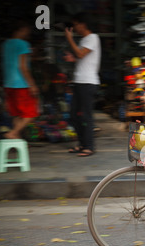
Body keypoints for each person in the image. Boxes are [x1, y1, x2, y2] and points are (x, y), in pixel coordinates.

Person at [64, 12, 101, 157]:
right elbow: (82, 58)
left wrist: (69, 39)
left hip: (88, 82)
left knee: (86, 116)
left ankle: (89, 147)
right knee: (73, 115)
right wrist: (72, 58)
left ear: (83, 24)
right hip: (79, 81)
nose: (74, 28)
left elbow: (80, 54)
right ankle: (82, 144)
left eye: (75, 24)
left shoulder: (93, 38)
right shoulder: (84, 40)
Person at [2, 20, 39, 139]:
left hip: (8, 84)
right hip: (21, 84)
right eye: (27, 29)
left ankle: (16, 140)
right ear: (21, 29)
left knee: (17, 114)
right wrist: (32, 85)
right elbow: (23, 67)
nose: (28, 32)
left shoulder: (6, 44)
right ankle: (13, 133)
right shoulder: (23, 44)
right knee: (31, 112)